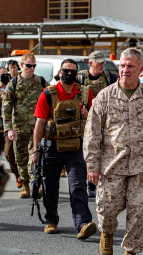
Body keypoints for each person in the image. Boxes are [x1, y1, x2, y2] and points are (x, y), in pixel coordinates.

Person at [83, 48, 143, 255]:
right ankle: (107, 234)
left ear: (140, 69)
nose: (125, 70)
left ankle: (131, 249)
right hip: (111, 164)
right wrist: (92, 165)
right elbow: (92, 134)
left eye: (130, 66)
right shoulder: (104, 96)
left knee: (138, 210)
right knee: (107, 208)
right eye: (122, 65)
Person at [32, 59, 97, 237]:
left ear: (77, 74)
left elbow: (97, 120)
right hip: (51, 147)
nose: (68, 74)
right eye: (65, 71)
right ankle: (51, 220)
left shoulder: (85, 93)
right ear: (59, 73)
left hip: (76, 146)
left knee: (77, 186)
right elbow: (40, 123)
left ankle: (83, 224)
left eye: (72, 72)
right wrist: (35, 150)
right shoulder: (47, 94)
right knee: (50, 186)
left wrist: (87, 114)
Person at [2, 53, 49, 198]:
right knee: (20, 157)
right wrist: (8, 128)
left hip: (36, 127)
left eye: (34, 66)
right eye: (29, 66)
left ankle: (37, 184)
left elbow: (52, 95)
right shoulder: (14, 83)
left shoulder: (41, 81)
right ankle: (25, 186)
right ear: (22, 65)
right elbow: (6, 107)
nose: (32, 68)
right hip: (19, 127)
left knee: (35, 155)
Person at [78, 51, 117, 197]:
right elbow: (74, 96)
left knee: (103, 153)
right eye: (99, 62)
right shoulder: (81, 77)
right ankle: (85, 184)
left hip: (105, 122)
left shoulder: (108, 77)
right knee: (86, 153)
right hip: (85, 122)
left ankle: (96, 185)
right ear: (90, 63)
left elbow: (116, 94)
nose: (102, 65)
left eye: (103, 62)